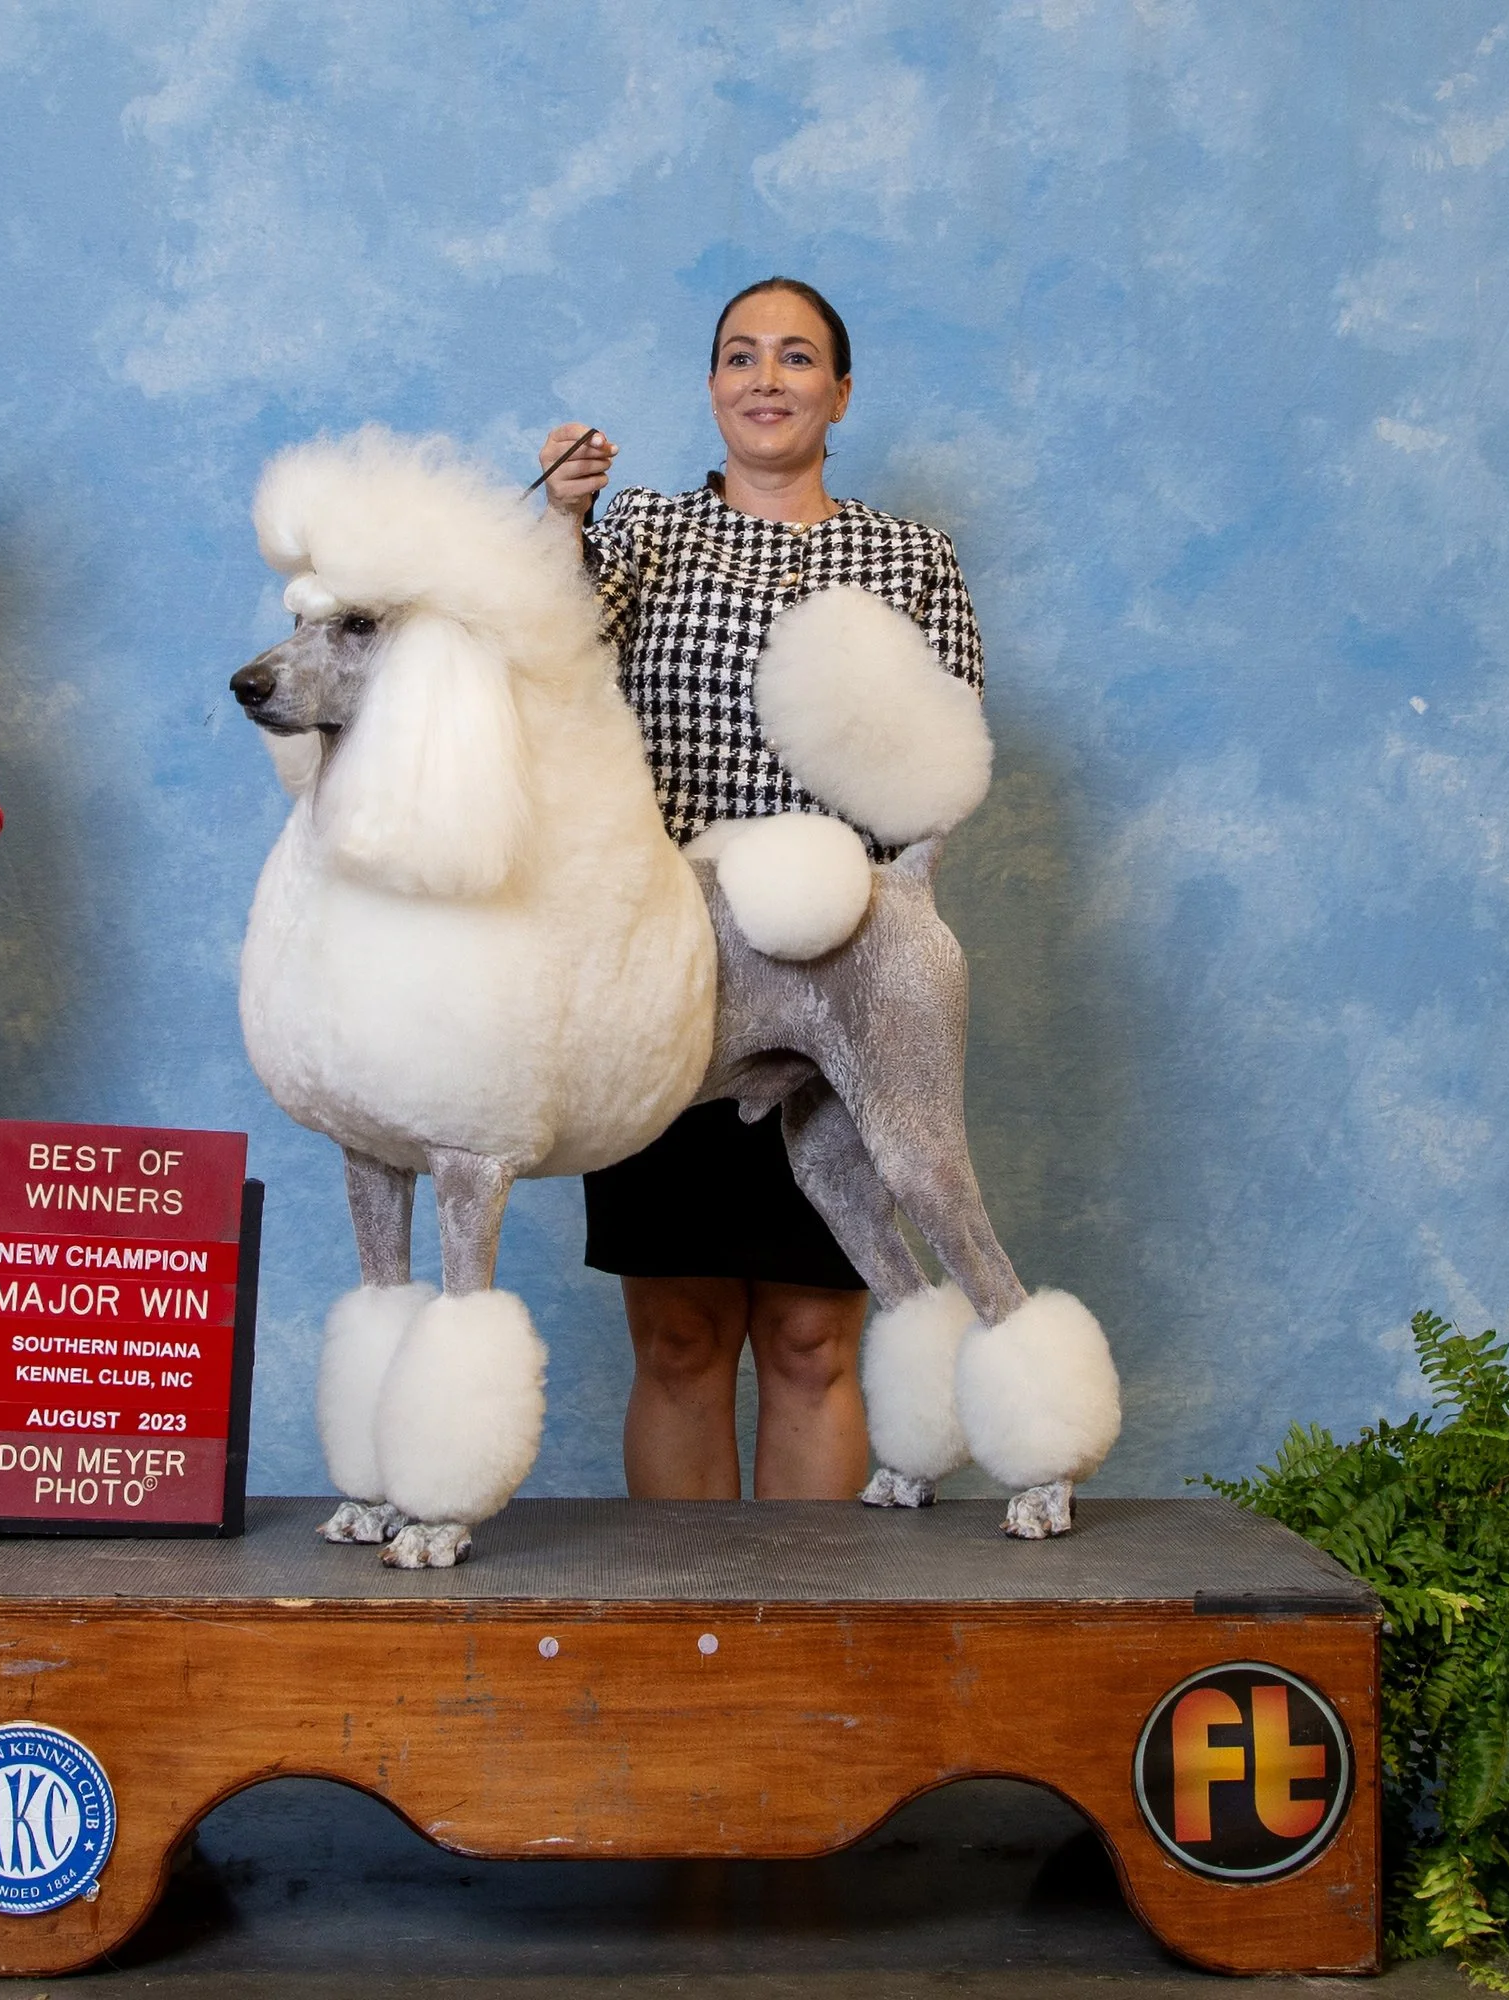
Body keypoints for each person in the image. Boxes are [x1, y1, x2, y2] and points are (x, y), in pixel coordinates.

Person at [540, 277, 986, 1504]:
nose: (766, 378)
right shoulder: (637, 527)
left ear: (840, 393)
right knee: (678, 1339)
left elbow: (946, 764)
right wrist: (562, 519)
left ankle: (806, 1636)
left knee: (810, 1339)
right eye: (740, 357)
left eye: (796, 358)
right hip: (666, 968)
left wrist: (904, 910)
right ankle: (682, 1628)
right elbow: (546, 648)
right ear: (711, 388)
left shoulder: (911, 555)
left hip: (843, 961)